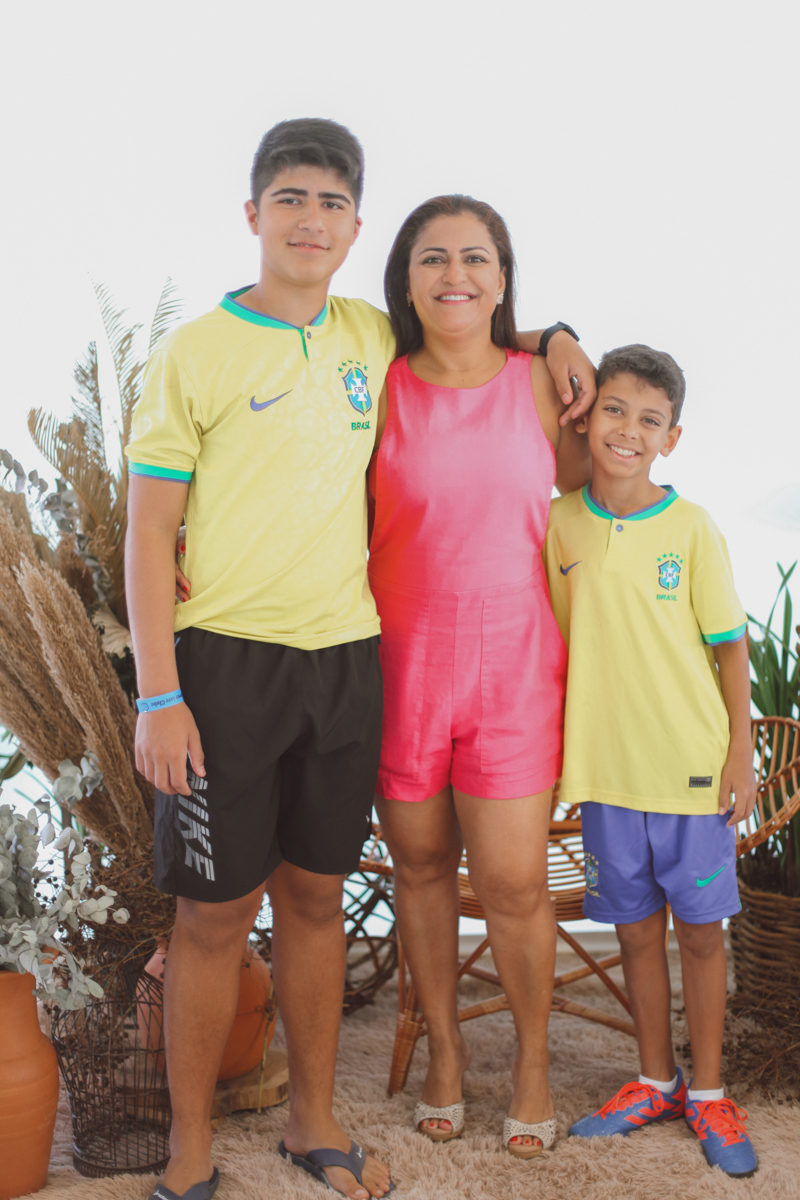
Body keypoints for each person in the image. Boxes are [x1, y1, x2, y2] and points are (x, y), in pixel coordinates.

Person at [127, 118, 596, 1200]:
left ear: (353, 227)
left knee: (315, 897)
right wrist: (158, 695)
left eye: (332, 203)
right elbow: (149, 531)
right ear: (253, 214)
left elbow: (472, 329)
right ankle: (189, 1150)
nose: (311, 220)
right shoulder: (195, 351)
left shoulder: (366, 337)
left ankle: (312, 1120)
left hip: (347, 663)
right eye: (291, 199)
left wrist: (562, 336)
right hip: (225, 668)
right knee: (210, 916)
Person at [367, 194, 591, 1158]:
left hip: (516, 669)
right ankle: (446, 1053)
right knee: (420, 868)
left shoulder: (540, 382)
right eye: (433, 258)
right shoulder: (375, 385)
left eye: (474, 258)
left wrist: (558, 337)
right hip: (400, 666)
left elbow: (595, 495)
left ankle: (533, 1062)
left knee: (510, 882)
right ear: (406, 280)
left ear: (502, 280)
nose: (454, 275)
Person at [543, 344, 759, 1179]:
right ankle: (655, 1080)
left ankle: (708, 1092)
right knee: (634, 932)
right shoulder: (559, 523)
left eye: (650, 419)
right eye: (615, 409)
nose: (628, 430)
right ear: (587, 417)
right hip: (607, 773)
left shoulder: (691, 528)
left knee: (699, 937)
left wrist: (740, 753)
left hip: (690, 771)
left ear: (671, 438)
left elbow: (731, 648)